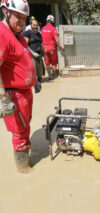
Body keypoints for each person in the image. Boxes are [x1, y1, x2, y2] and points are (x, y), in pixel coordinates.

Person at [0, 0, 41, 173]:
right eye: (18, 17)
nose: (22, 22)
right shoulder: (2, 34)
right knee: (20, 133)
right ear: (5, 11)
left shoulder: (16, 33)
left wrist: (35, 79)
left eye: (24, 18)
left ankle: (24, 162)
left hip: (25, 92)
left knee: (25, 126)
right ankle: (24, 170)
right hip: (14, 94)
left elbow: (23, 59)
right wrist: (3, 98)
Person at [41, 14, 64, 80]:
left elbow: (41, 39)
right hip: (52, 48)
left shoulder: (43, 29)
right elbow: (56, 38)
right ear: (52, 21)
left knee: (47, 61)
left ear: (47, 21)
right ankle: (54, 74)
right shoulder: (53, 29)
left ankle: (49, 75)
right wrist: (60, 46)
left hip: (45, 48)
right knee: (54, 61)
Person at [23, 19, 45, 85]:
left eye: (37, 25)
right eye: (34, 25)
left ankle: (39, 82)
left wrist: (44, 54)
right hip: (31, 55)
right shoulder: (27, 33)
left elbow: (41, 44)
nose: (35, 26)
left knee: (40, 71)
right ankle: (33, 83)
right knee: (33, 70)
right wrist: (33, 53)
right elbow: (25, 45)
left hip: (39, 54)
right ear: (31, 25)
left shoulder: (39, 34)